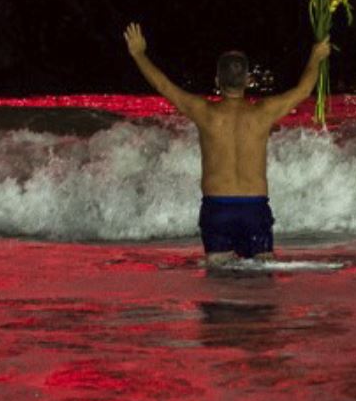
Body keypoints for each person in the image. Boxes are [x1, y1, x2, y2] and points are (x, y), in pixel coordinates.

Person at [123, 22, 330, 267]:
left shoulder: (204, 112)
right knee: (261, 281)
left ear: (217, 80)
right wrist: (315, 57)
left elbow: (163, 86)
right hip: (254, 209)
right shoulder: (263, 112)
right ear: (247, 79)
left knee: (218, 284)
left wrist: (138, 54)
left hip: (217, 209)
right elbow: (304, 89)